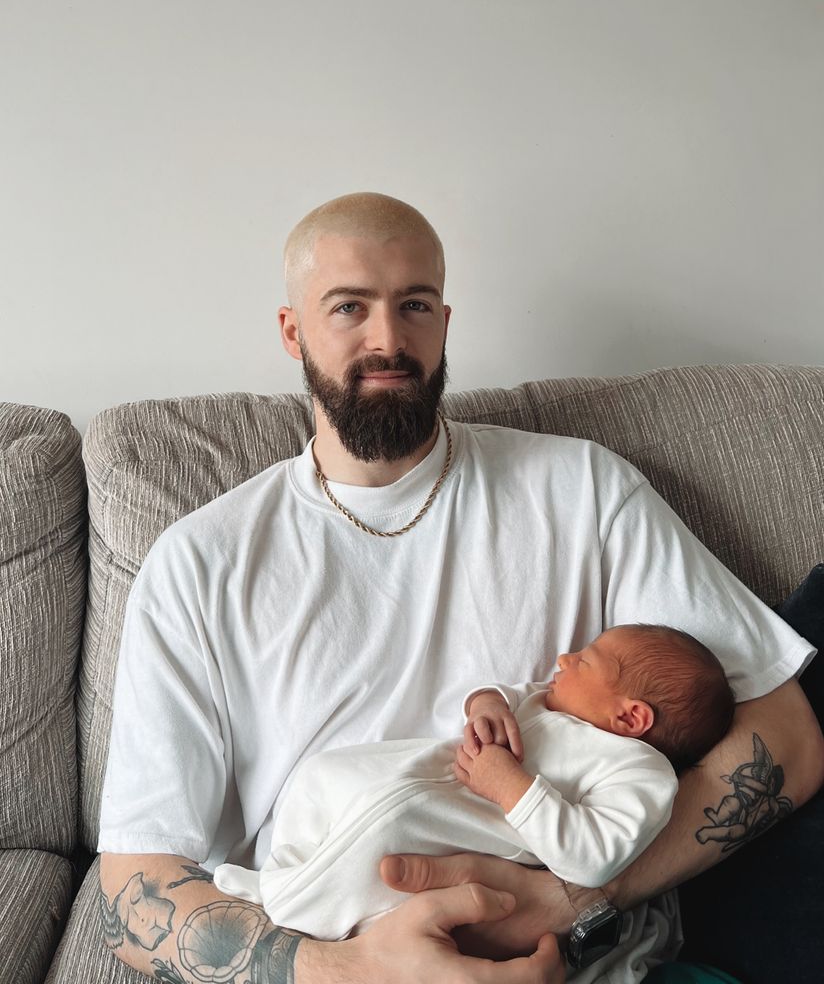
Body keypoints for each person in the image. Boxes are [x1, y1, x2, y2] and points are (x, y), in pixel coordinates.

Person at [98, 192, 824, 984]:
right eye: (349, 307)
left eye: (414, 305)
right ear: (293, 331)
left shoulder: (583, 490)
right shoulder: (198, 563)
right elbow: (133, 891)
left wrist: (575, 897)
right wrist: (349, 972)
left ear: (444, 322)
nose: (388, 340)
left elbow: (786, 737)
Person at [212, 625, 735, 942]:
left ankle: (281, 902)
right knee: (320, 774)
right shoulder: (554, 699)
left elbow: (593, 856)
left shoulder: (641, 774)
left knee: (378, 841)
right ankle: (287, 869)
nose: (564, 659)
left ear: (631, 719)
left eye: (586, 660)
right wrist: (486, 704)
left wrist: (510, 786)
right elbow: (503, 692)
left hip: (456, 825)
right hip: (417, 770)